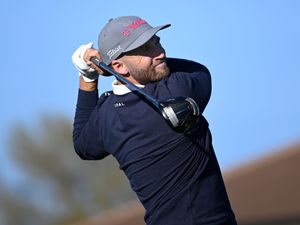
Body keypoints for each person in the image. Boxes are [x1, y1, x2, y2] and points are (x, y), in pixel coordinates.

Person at [71, 16, 237, 225]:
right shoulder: (180, 90)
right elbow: (199, 70)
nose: (160, 53)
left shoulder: (105, 118)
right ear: (119, 67)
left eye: (156, 42)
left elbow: (83, 146)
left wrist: (87, 76)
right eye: (145, 49)